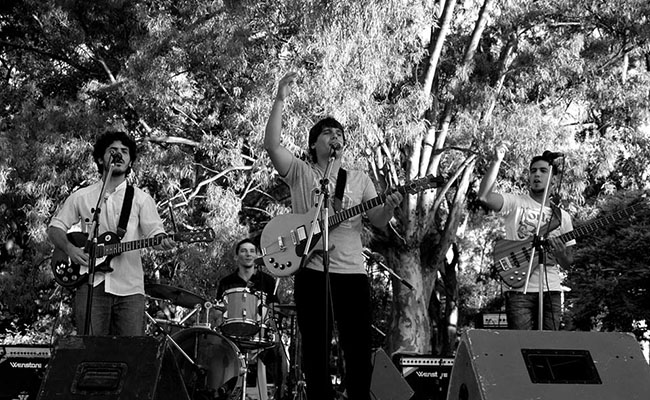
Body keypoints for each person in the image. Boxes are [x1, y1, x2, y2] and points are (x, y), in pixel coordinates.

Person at [264, 72, 402, 400]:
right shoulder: (302, 171)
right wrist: (280, 98)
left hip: (352, 273)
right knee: (315, 351)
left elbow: (378, 220)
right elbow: (272, 145)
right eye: (327, 132)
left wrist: (390, 206)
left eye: (339, 133)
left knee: (358, 350)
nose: (334, 136)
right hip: (312, 270)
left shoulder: (359, 179)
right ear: (314, 144)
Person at [48, 131, 175, 336]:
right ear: (101, 159)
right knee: (91, 349)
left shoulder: (141, 199)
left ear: (130, 161)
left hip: (130, 288)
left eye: (124, 151)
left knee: (129, 349)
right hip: (90, 284)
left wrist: (163, 241)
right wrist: (70, 249)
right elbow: (55, 229)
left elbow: (155, 233)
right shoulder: (82, 196)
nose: (119, 155)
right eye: (113, 151)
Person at [478, 144, 575, 330]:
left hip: (551, 289)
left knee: (551, 344)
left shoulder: (562, 217)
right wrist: (496, 161)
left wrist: (561, 254)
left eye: (543, 171)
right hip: (518, 289)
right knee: (522, 344)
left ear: (554, 179)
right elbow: (484, 197)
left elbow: (568, 262)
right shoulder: (516, 203)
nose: (537, 174)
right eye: (533, 171)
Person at [217, 238, 285, 400]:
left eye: (252, 251)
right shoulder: (226, 282)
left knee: (280, 352)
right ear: (236, 257)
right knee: (214, 350)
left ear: (257, 256)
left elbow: (275, 310)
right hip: (232, 335)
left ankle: (281, 394)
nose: (248, 254)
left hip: (261, 334)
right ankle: (220, 392)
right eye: (243, 251)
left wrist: (273, 328)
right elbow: (219, 310)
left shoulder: (267, 281)